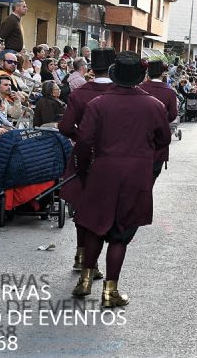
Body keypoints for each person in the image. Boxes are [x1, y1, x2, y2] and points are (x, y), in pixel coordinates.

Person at [69, 51, 172, 307]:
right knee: (120, 234)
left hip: (103, 170)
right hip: (136, 174)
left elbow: (83, 141)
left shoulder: (98, 104)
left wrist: (84, 169)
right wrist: (148, 164)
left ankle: (84, 280)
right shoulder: (154, 106)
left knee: (94, 226)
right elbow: (164, 140)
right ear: (141, 76)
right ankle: (110, 291)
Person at [59, 48, 116, 278]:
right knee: (103, 212)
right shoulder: (119, 92)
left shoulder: (80, 92)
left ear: (92, 68)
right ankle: (91, 262)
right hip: (110, 159)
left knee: (82, 206)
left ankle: (80, 254)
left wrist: (79, 137)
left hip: (82, 154)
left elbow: (64, 127)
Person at [137, 59, 179, 177]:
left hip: (139, 134)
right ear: (162, 74)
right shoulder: (169, 91)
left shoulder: (139, 87)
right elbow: (173, 115)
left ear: (148, 74)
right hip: (159, 136)